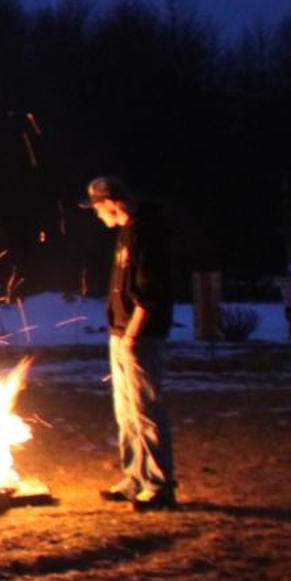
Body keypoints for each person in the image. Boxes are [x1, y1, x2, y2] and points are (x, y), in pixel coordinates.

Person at [83, 176, 177, 511]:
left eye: (96, 208)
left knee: (146, 410)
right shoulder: (126, 231)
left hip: (141, 337)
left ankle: (159, 485)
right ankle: (134, 478)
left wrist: (133, 336)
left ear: (111, 202)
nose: (96, 215)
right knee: (127, 413)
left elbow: (151, 292)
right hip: (121, 333)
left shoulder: (146, 232)